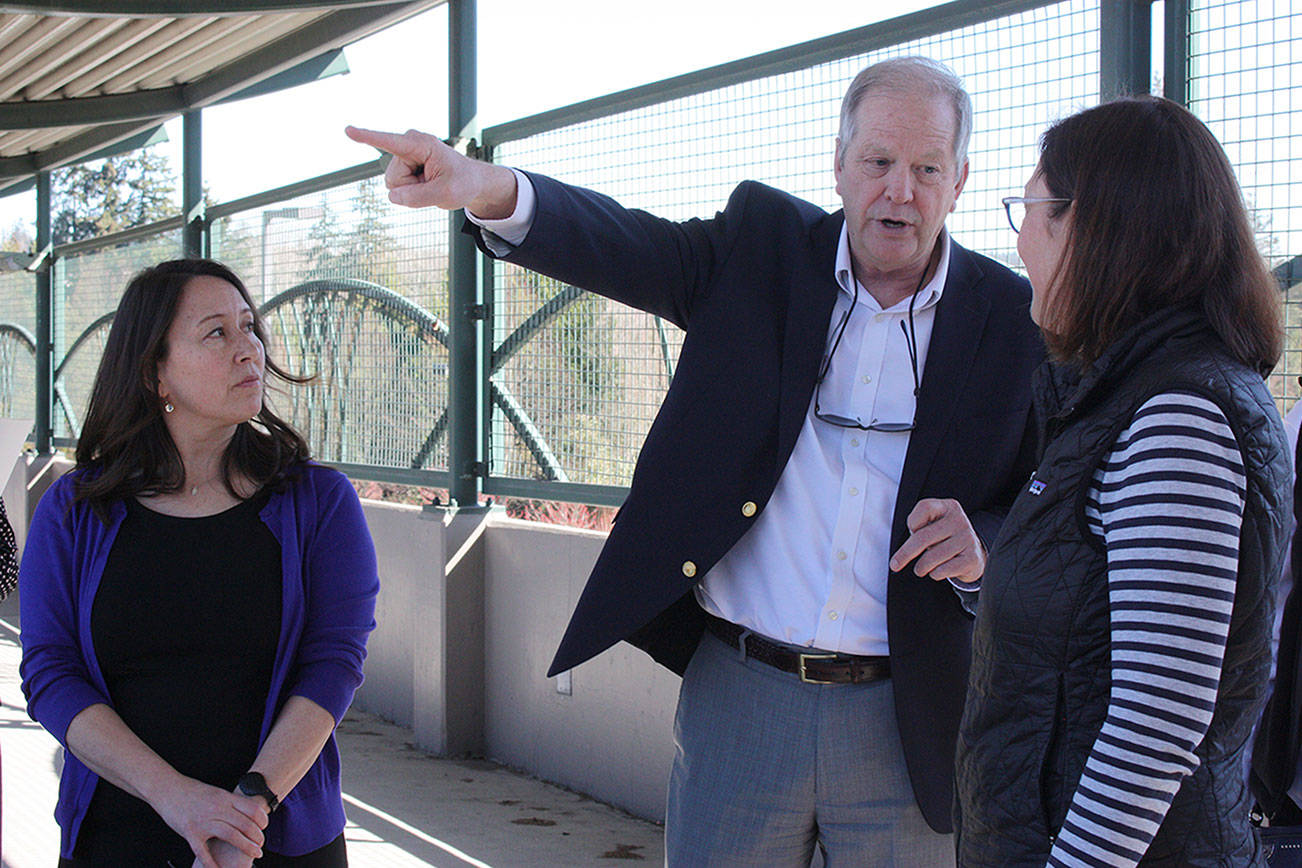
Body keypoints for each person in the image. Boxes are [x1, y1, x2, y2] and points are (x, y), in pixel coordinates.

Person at [348, 55, 1043, 865]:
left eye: (927, 168)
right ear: (839, 166)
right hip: (743, 695)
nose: (900, 190)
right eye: (878, 162)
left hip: (911, 714)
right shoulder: (763, 251)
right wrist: (483, 186)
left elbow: (1053, 491)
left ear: (960, 181)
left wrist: (984, 542)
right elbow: (625, 245)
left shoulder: (1013, 319)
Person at [954, 96, 1289, 867]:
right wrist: (986, 576)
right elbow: (1096, 618)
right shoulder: (1127, 393)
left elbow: (1159, 715)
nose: (1020, 240)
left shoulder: (1178, 416)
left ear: (1096, 226)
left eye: (1032, 208)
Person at [19, 259, 379, 867]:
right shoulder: (74, 511)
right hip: (117, 837)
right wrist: (179, 801)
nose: (250, 351)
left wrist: (247, 809)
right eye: (217, 333)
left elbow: (333, 665)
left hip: (275, 835)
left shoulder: (319, 502)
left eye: (249, 327)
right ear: (155, 372)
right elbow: (52, 673)